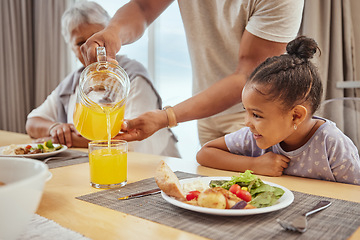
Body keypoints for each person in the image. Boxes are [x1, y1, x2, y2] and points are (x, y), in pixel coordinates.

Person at [80, 0, 305, 146]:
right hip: (206, 110)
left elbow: (248, 76)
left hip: (256, 117)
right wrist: (113, 31)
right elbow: (143, 7)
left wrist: (166, 117)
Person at [196, 36, 360, 185]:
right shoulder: (255, 136)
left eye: (256, 115)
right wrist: (254, 165)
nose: (247, 122)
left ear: (296, 116)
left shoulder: (332, 144)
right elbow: (205, 153)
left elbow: (354, 195)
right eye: (245, 110)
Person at [25, 1, 180, 158]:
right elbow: (32, 122)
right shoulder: (73, 82)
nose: (90, 47)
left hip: (151, 166)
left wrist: (63, 140)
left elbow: (131, 142)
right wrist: (55, 128)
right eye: (80, 43)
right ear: (71, 48)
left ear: (111, 37)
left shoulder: (132, 78)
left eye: (96, 38)